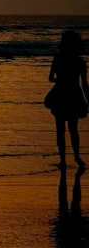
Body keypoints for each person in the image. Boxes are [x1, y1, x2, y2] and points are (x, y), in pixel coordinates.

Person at [46, 30, 89, 168]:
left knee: (60, 129)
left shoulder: (58, 59)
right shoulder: (81, 62)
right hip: (74, 95)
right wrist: (88, 100)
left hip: (60, 93)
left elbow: (50, 78)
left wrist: (61, 79)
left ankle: (63, 161)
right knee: (73, 129)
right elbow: (84, 84)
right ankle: (77, 158)